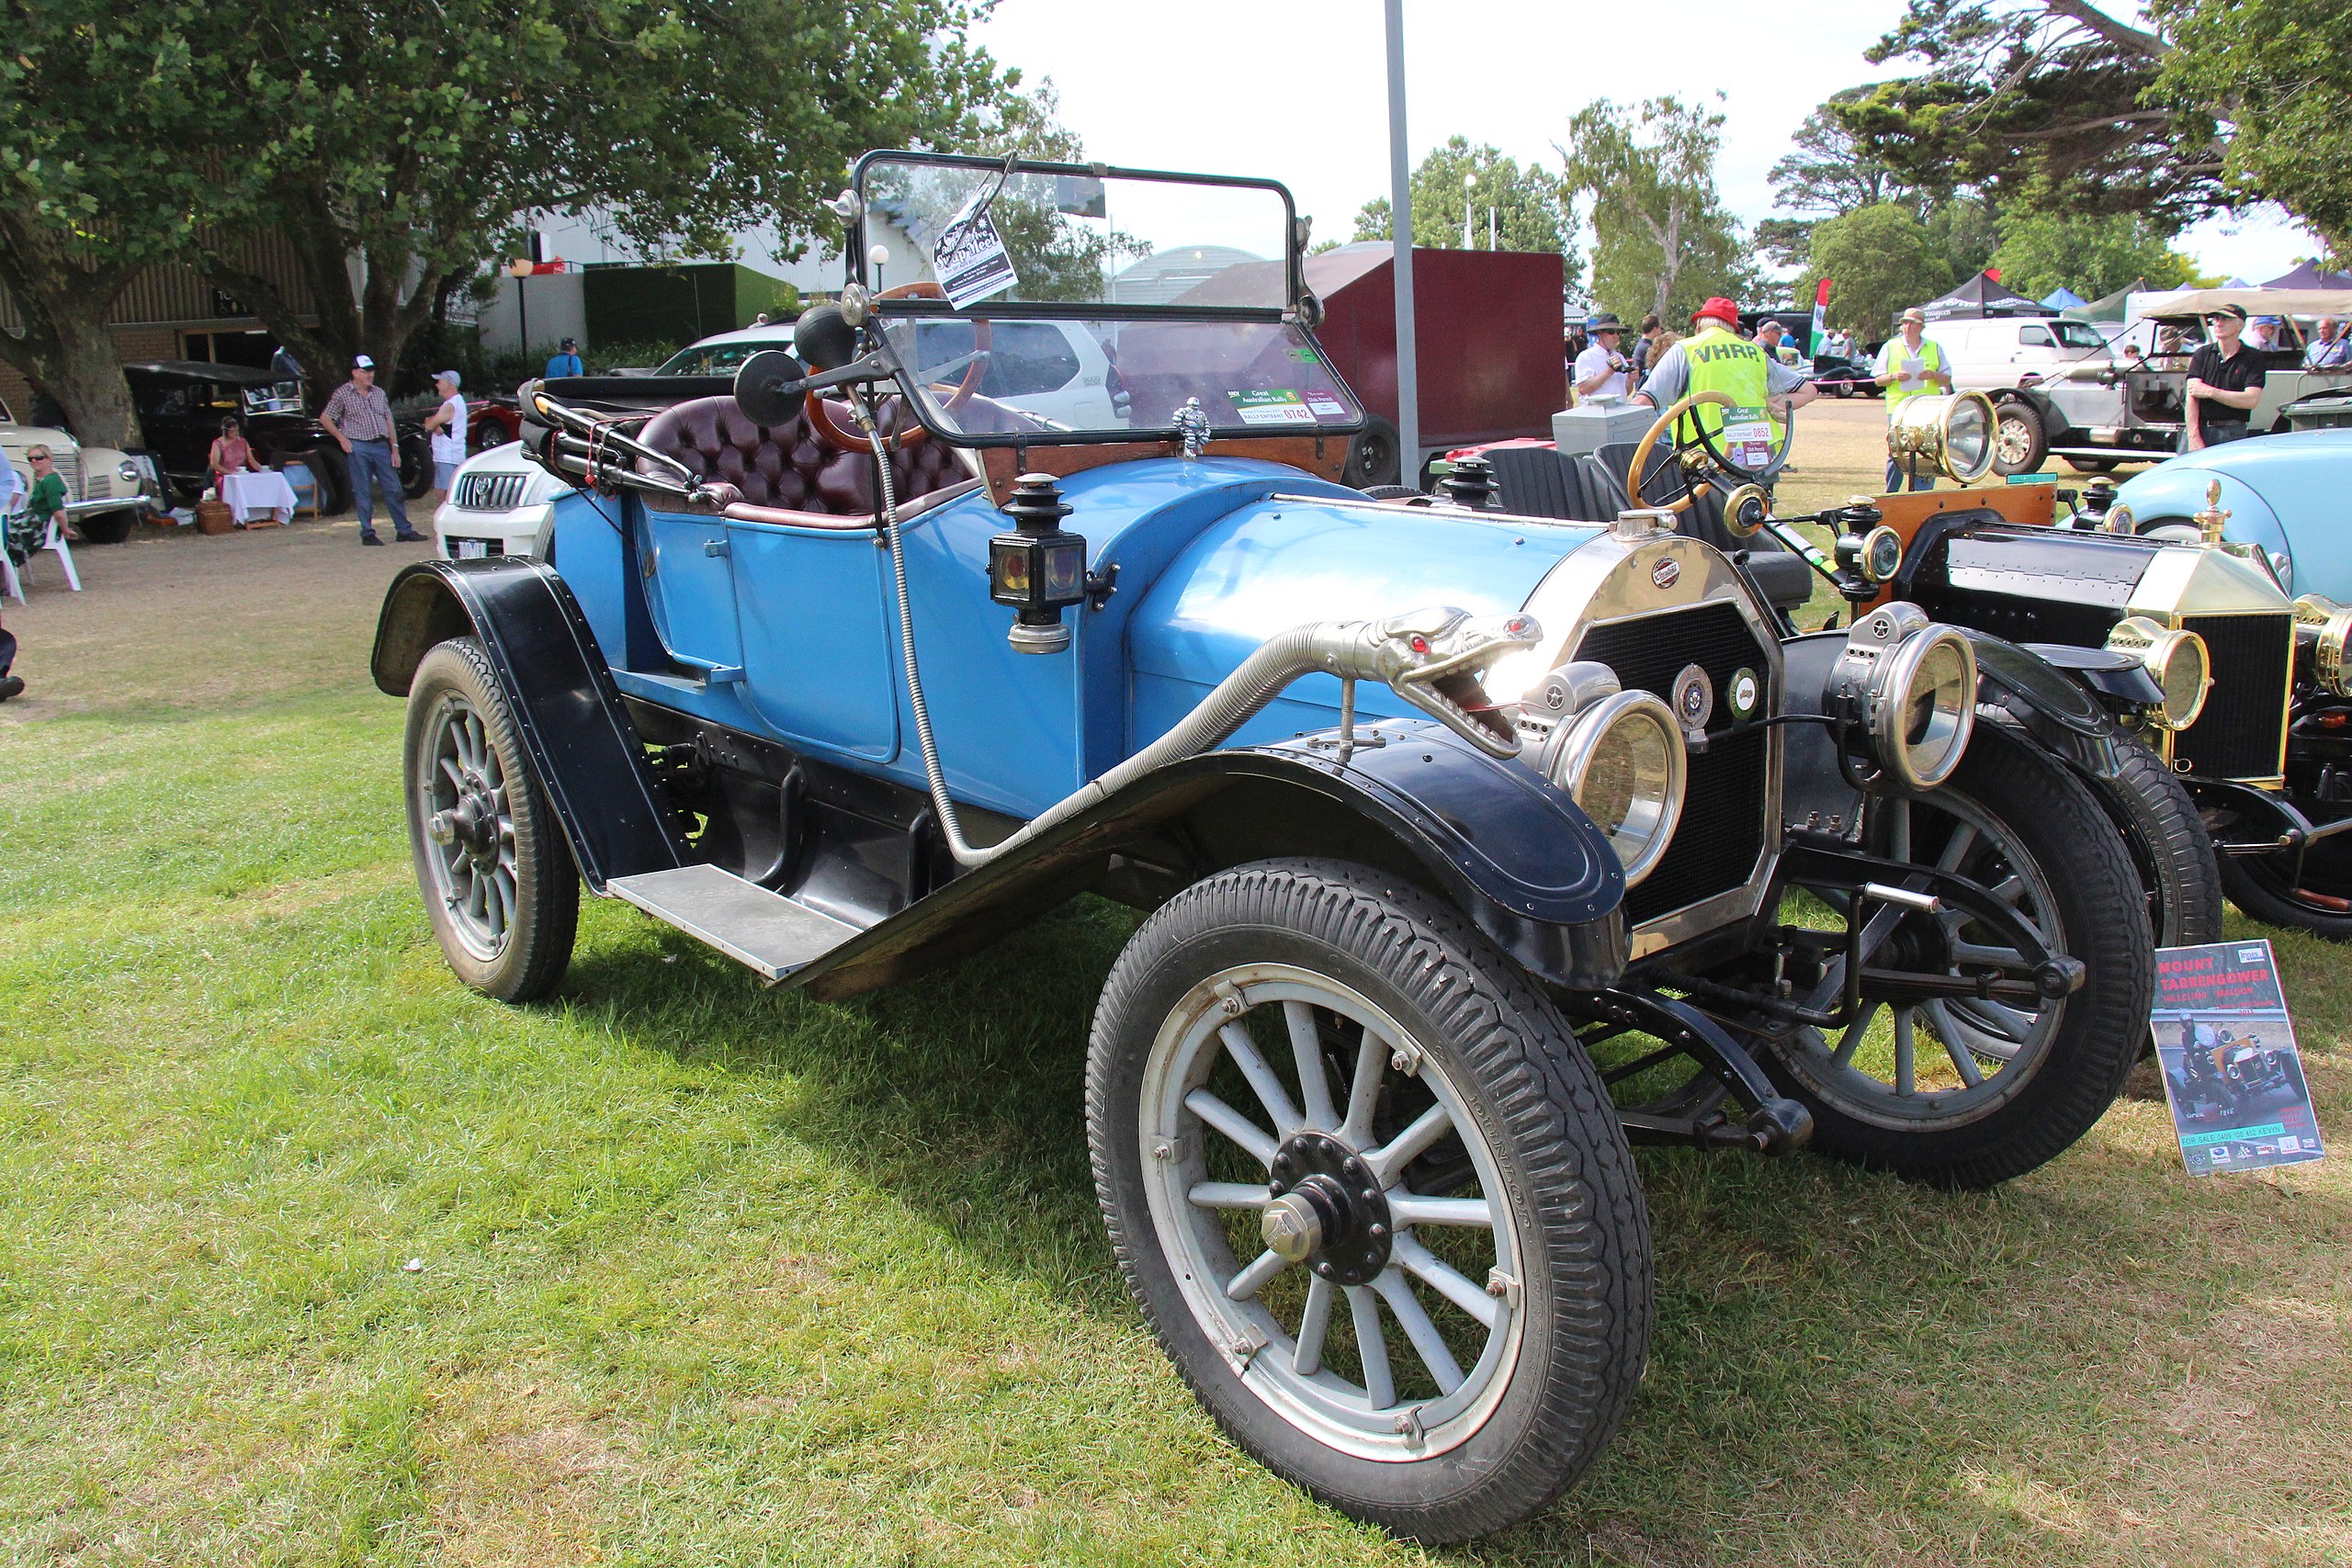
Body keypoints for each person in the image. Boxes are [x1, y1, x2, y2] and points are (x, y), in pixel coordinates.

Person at [1630, 296, 1818, 489]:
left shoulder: (1686, 350)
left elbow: (1643, 402)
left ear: (1699, 326)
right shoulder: (1755, 352)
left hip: (1706, 462)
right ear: (1733, 328)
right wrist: (1772, 404)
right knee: (1756, 515)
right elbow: (1808, 391)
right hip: (1758, 459)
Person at [319, 354, 423, 546]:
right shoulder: (342, 393)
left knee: (394, 488)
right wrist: (342, 438)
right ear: (354, 373)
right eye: (365, 371)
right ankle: (367, 532)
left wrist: (395, 447)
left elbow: (388, 419)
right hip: (358, 445)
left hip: (381, 444)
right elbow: (326, 418)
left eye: (371, 371)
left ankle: (404, 530)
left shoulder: (378, 393)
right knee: (362, 490)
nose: (369, 375)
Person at [1872, 307, 1954, 491]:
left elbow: (1947, 377)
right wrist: (1894, 376)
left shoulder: (1934, 347)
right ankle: (1891, 492)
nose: (1907, 327)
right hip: (1899, 408)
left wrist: (1933, 375)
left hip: (1927, 409)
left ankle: (1921, 493)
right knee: (1897, 450)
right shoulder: (1890, 346)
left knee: (1928, 451)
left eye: (1912, 323)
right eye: (1905, 323)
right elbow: (1878, 379)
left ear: (1921, 327)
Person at [2183, 302, 2266, 451]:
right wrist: (2193, 436)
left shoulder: (2253, 357)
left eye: (2225, 319)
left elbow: (2251, 400)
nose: (2219, 323)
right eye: (2216, 319)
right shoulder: (2202, 354)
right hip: (2200, 429)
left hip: (2233, 432)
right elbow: (2192, 395)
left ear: (2240, 325)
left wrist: (2211, 392)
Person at [422, 369, 468, 504]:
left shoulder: (450, 405)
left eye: (440, 381)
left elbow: (430, 425)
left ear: (449, 383)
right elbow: (440, 427)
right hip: (453, 454)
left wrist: (431, 423)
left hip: (447, 456)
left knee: (444, 495)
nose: (437, 385)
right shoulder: (457, 402)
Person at [1574, 313, 1634, 401]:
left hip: (1619, 410)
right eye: (1611, 332)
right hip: (1596, 412)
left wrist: (1631, 380)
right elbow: (1583, 389)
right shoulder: (1586, 356)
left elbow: (1626, 392)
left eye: (1618, 332)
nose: (1615, 336)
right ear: (1600, 333)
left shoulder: (1620, 357)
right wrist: (1608, 372)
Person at [23, 444, 73, 543]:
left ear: (49, 459)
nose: (34, 461)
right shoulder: (42, 480)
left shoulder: (51, 481)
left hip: (38, 528)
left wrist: (65, 530)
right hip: (30, 524)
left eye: (39, 458)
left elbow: (58, 512)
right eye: (30, 459)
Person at [207, 415, 266, 498]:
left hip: (241, 476)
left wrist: (263, 470)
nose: (235, 433)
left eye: (236, 430)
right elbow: (214, 464)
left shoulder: (243, 442)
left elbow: (251, 460)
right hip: (225, 477)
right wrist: (230, 473)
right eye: (232, 431)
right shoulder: (217, 443)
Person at [1629, 313, 1664, 380]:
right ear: (1654, 329)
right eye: (1660, 328)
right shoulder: (1648, 348)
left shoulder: (1642, 345)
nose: (1661, 331)